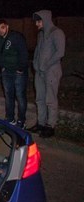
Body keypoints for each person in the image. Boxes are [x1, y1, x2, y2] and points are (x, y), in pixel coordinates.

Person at [29, 10, 66, 138]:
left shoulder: (57, 33)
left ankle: (50, 125)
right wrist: (35, 63)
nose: (36, 24)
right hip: (39, 71)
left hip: (51, 71)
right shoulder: (41, 34)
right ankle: (41, 123)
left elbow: (60, 52)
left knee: (50, 99)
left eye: (38, 21)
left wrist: (46, 65)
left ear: (45, 20)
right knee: (40, 98)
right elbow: (37, 51)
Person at [0, 19, 29, 129]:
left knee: (20, 96)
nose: (0, 30)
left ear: (7, 26)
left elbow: (24, 53)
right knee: (8, 96)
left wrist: (21, 68)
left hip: (18, 72)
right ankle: (10, 118)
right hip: (6, 72)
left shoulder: (16, 37)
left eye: (2, 27)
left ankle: (21, 120)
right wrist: (2, 67)